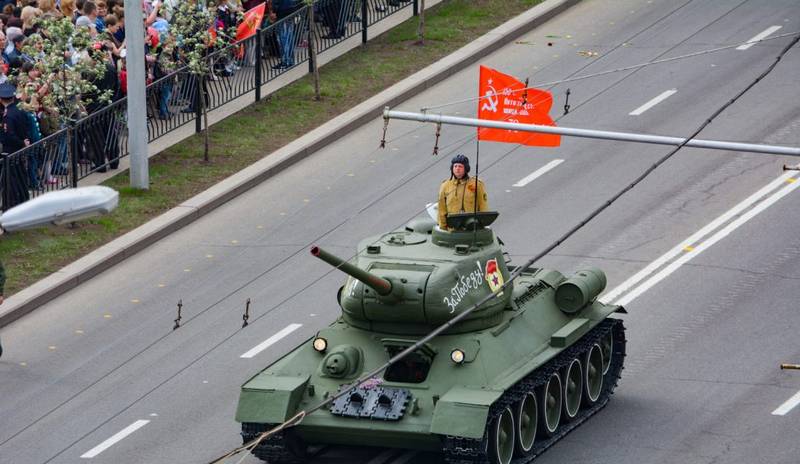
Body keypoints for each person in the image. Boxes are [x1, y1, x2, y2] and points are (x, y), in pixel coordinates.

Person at [437, 154, 488, 230]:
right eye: (455, 166)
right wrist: (443, 228)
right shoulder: (445, 185)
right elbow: (441, 209)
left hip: (472, 228)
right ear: (452, 168)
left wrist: (482, 226)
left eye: (460, 166)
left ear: (466, 169)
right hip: (452, 229)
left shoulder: (477, 184)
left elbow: (483, 207)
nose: (457, 169)